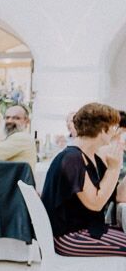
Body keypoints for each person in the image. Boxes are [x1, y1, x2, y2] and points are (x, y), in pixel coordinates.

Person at [41, 102, 126, 256]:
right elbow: (95, 204)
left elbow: (119, 196)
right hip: (69, 237)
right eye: (113, 128)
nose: (115, 132)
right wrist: (113, 169)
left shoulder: (90, 157)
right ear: (103, 129)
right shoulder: (72, 159)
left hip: (86, 229)